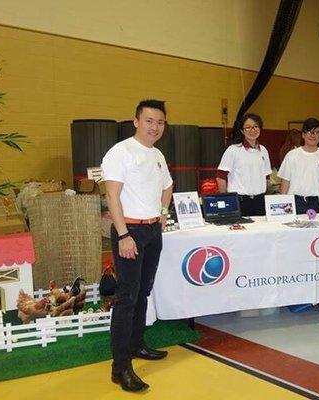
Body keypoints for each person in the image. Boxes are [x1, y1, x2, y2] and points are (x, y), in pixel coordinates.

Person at [101, 99, 173, 392]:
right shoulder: (121, 152)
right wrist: (122, 235)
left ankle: (137, 344)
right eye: (149, 121)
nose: (155, 127)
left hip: (152, 230)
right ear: (136, 121)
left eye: (160, 122)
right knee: (126, 299)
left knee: (143, 293)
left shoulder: (157, 154)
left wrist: (164, 214)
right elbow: (112, 196)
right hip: (128, 230)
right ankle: (120, 368)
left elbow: (167, 185)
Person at [216, 113, 272, 216]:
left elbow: (266, 176)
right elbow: (221, 176)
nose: (253, 130)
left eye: (256, 126)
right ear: (242, 130)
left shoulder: (263, 150)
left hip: (260, 201)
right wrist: (226, 200)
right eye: (248, 127)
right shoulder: (233, 150)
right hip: (240, 202)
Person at [278, 118, 319, 214]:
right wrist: (283, 206)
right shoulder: (292, 155)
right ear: (303, 135)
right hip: (295, 202)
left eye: (316, 132)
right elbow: (285, 182)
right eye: (309, 132)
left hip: (317, 203)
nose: (313, 135)